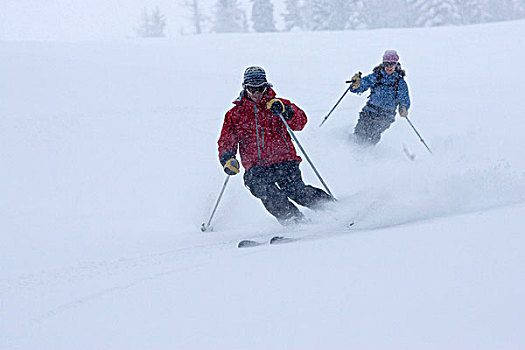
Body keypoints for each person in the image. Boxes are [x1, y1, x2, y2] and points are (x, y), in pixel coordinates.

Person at [218, 66, 333, 225]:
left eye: (261, 88)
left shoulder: (278, 104)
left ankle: (333, 209)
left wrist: (286, 111)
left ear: (267, 86)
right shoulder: (235, 114)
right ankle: (294, 221)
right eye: (252, 88)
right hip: (256, 166)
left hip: (284, 161)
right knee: (266, 191)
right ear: (245, 88)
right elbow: (226, 141)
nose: (257, 93)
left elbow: (300, 123)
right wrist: (227, 158)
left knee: (296, 191)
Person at [348, 50, 411, 145]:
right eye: (387, 64)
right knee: (360, 132)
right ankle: (354, 152)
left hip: (386, 114)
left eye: (392, 64)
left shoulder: (400, 82)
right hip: (369, 110)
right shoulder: (376, 77)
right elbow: (361, 86)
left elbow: (404, 98)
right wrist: (356, 84)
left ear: (396, 65)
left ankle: (368, 153)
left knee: (373, 133)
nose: (389, 67)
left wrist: (403, 108)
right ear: (383, 64)